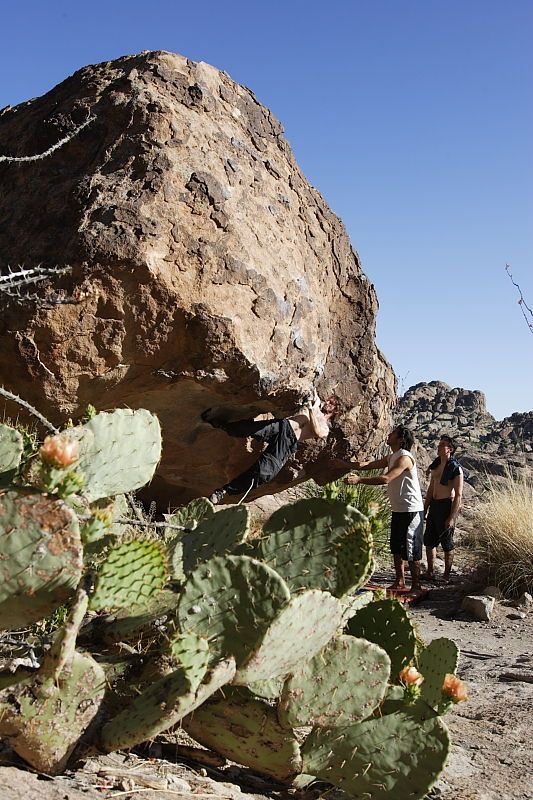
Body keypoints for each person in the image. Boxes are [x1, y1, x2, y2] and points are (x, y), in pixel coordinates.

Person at [203, 391, 338, 504]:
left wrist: (312, 409)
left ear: (336, 410)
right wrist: (313, 400)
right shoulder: (316, 404)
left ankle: (224, 491)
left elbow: (318, 432)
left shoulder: (325, 427)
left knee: (265, 473)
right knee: (247, 429)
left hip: (288, 441)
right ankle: (222, 425)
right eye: (328, 400)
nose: (327, 403)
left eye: (331, 403)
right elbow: (310, 395)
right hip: (283, 426)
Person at [340, 424, 425, 592]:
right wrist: (343, 464)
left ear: (400, 439)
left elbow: (386, 478)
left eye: (393, 433)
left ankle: (416, 585)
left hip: (411, 510)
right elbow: (367, 464)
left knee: (412, 548)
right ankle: (399, 581)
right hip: (398, 509)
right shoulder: (392, 456)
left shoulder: (404, 458)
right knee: (397, 546)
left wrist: (359, 480)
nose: (389, 434)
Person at [423, 434, 464, 584]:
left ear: (450, 449)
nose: (438, 447)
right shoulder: (436, 464)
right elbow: (431, 488)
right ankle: (430, 571)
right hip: (434, 504)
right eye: (439, 445)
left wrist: (451, 517)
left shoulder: (455, 468)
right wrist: (425, 508)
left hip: (446, 505)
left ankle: (446, 575)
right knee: (429, 540)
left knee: (447, 542)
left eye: (442, 445)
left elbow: (459, 494)